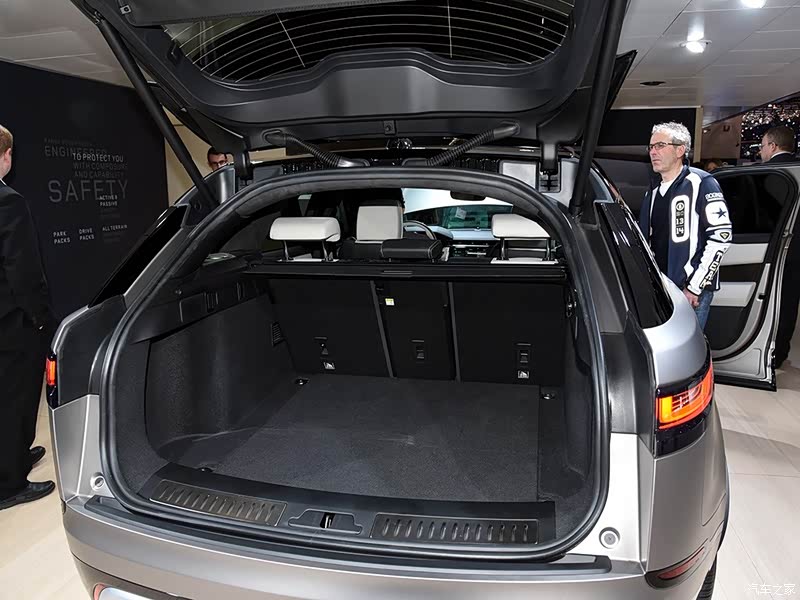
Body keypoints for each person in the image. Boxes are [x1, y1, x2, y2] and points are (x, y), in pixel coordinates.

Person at [0, 124, 55, 510]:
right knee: (16, 399)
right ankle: (9, 483)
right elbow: (21, 268)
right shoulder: (8, 201)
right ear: (5, 156)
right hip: (11, 320)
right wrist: (39, 317)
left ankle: (15, 454)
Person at [638, 122, 732, 329]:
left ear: (680, 150)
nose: (653, 152)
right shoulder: (653, 191)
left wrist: (694, 287)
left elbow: (721, 237)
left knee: (690, 345)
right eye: (651, 147)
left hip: (689, 292)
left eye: (660, 145)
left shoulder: (702, 182)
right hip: (662, 288)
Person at [759, 126, 799, 366]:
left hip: (770, 250)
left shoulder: (766, 173)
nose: (760, 151)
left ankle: (761, 352)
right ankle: (780, 352)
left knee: (766, 301)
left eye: (762, 146)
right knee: (789, 303)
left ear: (773, 146)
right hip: (796, 253)